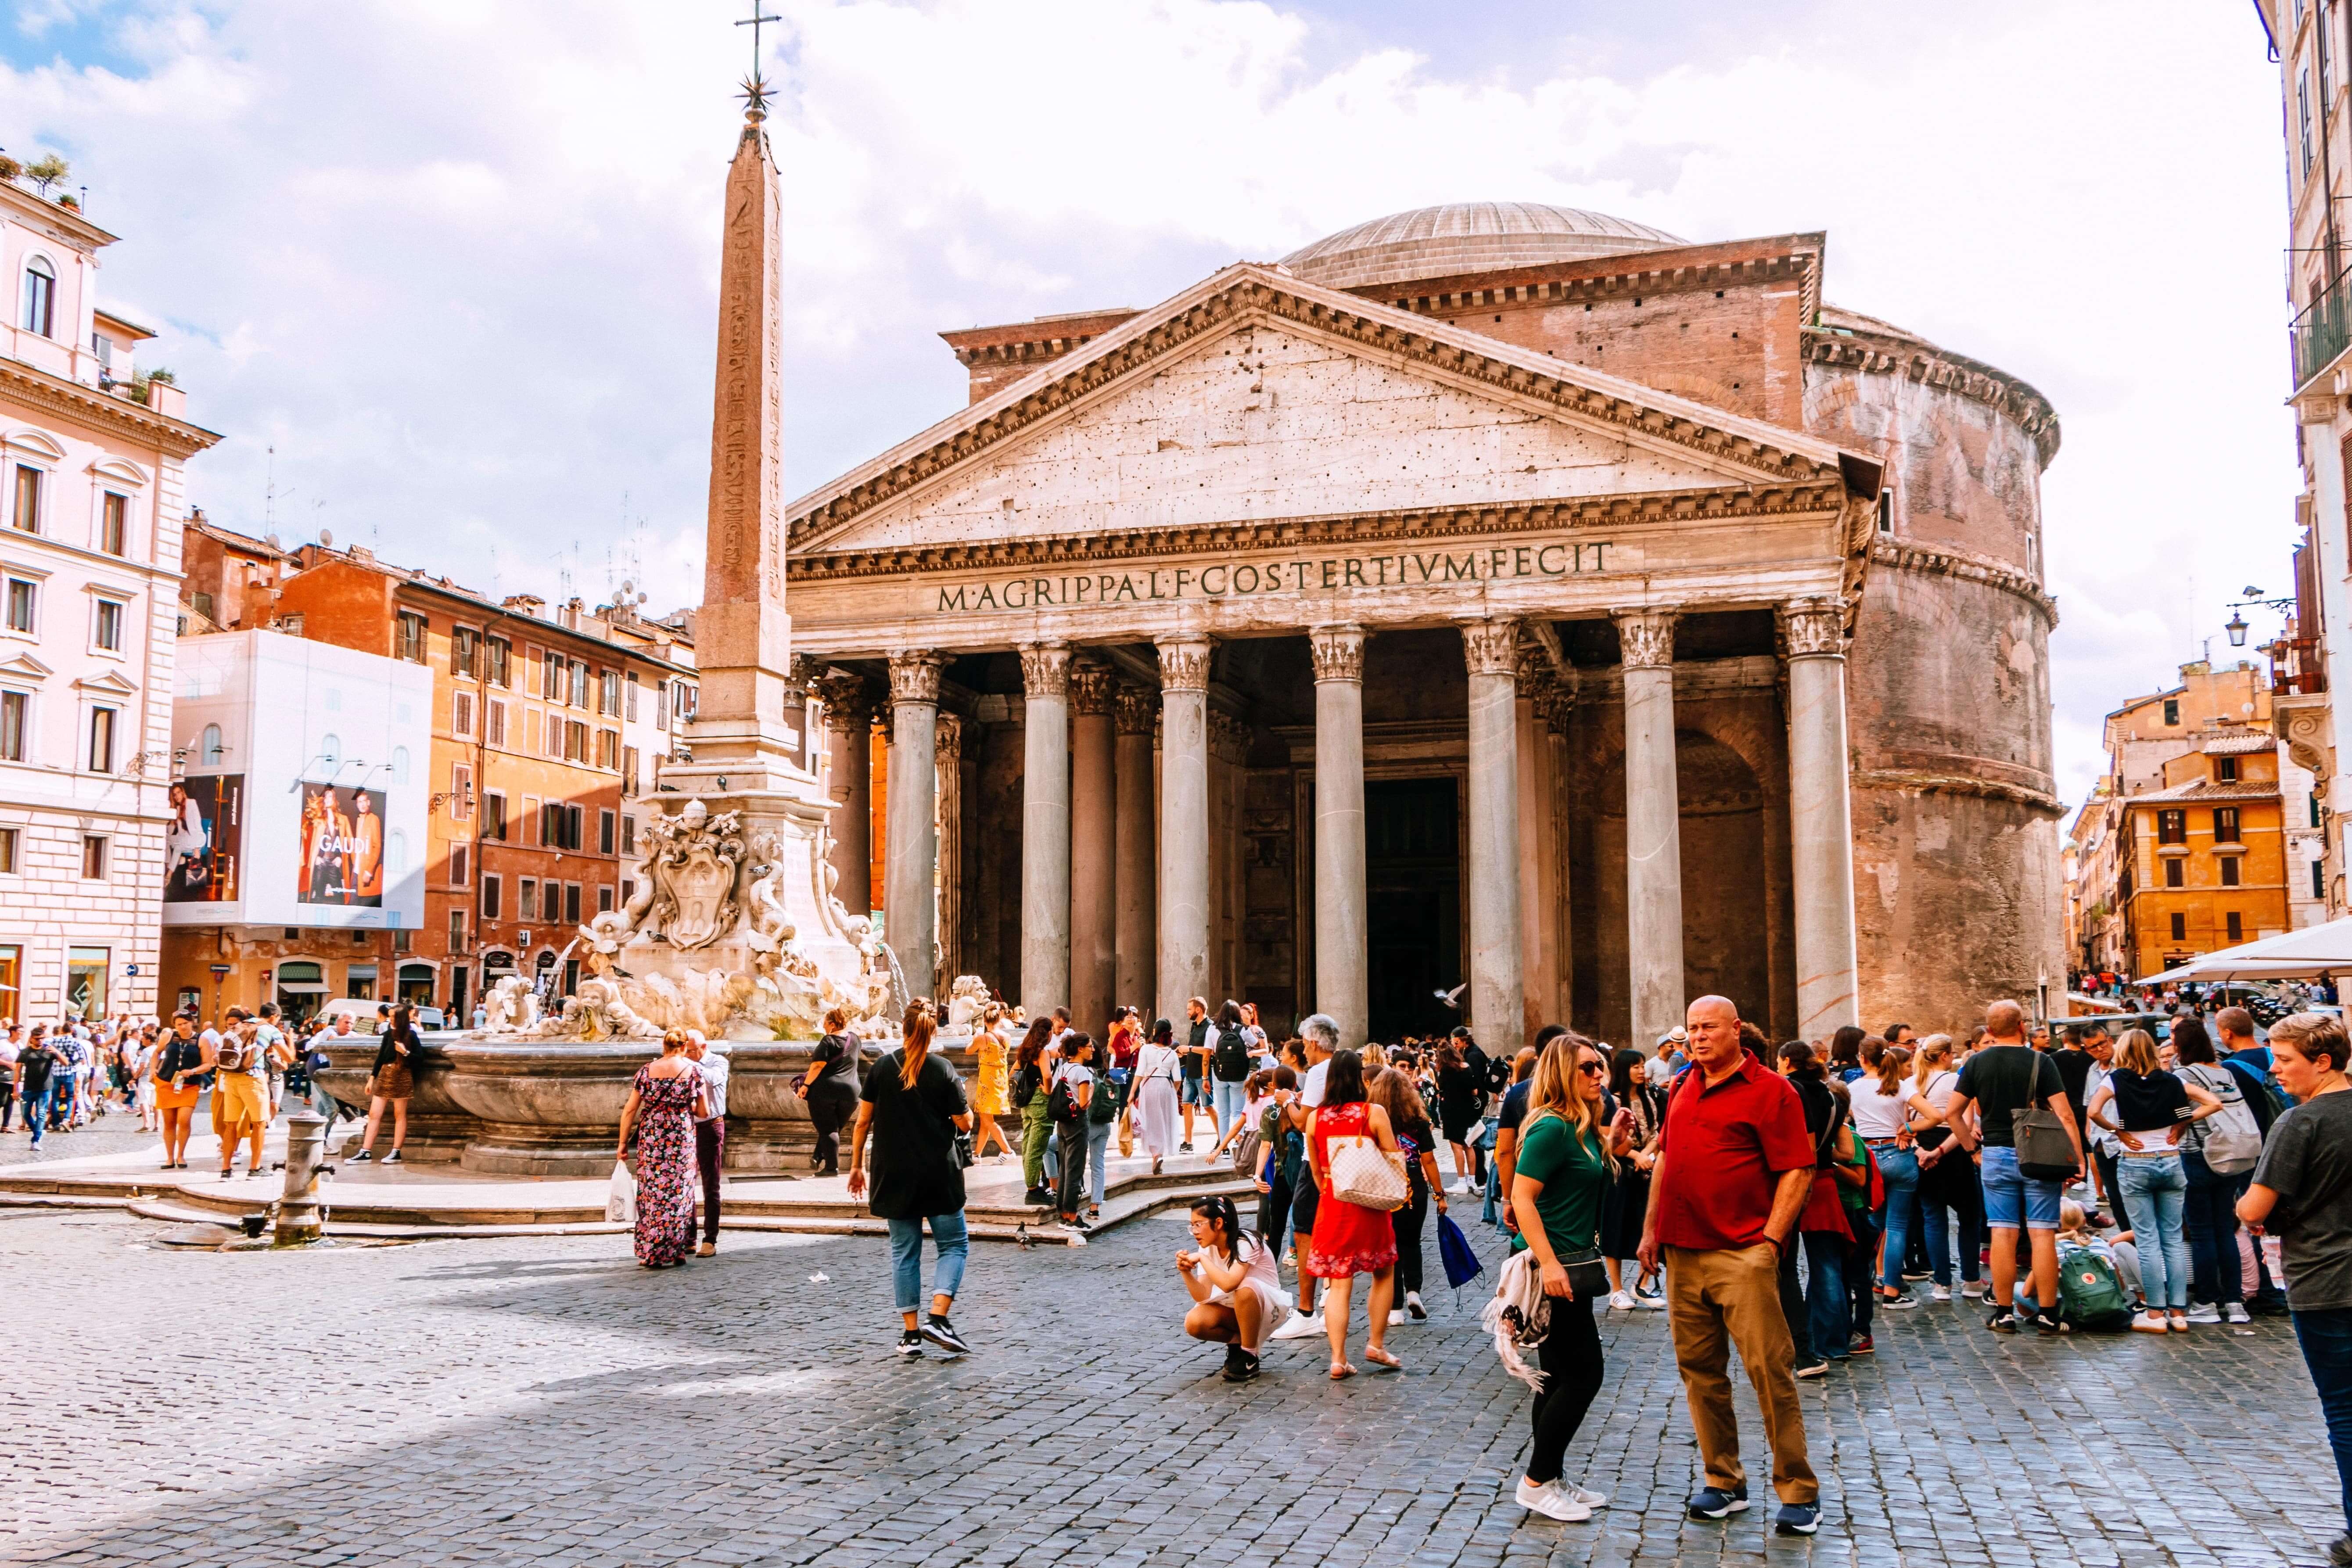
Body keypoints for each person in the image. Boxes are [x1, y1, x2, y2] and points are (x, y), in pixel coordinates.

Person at [1636, 994, 1821, 1537]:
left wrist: (1769, 1242)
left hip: (1743, 1252)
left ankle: (1798, 1489)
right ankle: (1724, 1481)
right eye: (1692, 1028)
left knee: (1769, 1372)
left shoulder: (1772, 1090)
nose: (1697, 1037)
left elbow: (1798, 1171)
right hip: (1682, 1251)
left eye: (1709, 1028)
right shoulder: (1681, 1085)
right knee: (1700, 1374)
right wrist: (1650, 1231)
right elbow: (1666, 1158)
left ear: (1736, 1030)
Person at [2238, 1012, 2352, 1563]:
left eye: (2284, 1060)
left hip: (2327, 1279)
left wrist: (2247, 1205)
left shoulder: (2299, 1123)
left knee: (2346, 1411)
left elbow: (2254, 1207)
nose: (2275, 1069)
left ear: (2322, 1062)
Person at [1509, 1033, 1631, 1523]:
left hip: (1575, 1263)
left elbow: (1580, 1188)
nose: (1599, 1075)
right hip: (1554, 1269)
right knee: (1585, 1375)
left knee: (1557, 1376)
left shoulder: (1580, 1128)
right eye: (1587, 1068)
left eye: (1599, 1067)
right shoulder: (1551, 1129)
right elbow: (1522, 1199)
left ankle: (1551, 1475)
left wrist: (1613, 1146)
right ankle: (1536, 1482)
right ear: (1563, 1072)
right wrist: (1550, 1264)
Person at [1945, 998, 2083, 1334]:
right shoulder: (2041, 1061)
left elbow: (1951, 1113)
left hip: (1994, 1153)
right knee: (2042, 1234)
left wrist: (1971, 1149)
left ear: (1990, 1030)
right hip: (2037, 1154)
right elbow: (2064, 1114)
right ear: (2022, 1026)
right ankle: (2048, 1313)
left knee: (2002, 1234)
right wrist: (2077, 1158)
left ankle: (2004, 1313)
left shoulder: (1976, 1063)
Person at [847, 1000, 974, 1357]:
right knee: (953, 1245)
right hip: (938, 1171)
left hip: (894, 1171)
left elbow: (862, 1122)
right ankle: (938, 1316)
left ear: (903, 1030)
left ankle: (911, 1335)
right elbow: (964, 1122)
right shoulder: (943, 1068)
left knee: (904, 1253)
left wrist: (856, 1165)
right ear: (933, 1032)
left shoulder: (882, 1068)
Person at [2086, 1027, 2218, 1333]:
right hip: (2171, 1160)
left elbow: (2093, 1111)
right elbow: (2213, 1102)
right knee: (2172, 1238)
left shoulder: (2115, 1079)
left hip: (2135, 1163)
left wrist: (2117, 1131)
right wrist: (2183, 1122)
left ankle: (2155, 1313)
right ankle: (2178, 1312)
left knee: (2146, 1241)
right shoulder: (2173, 1080)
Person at [1303, 1042, 1402, 1379]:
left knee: (1338, 1282)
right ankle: (1375, 1342)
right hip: (1369, 1204)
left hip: (1333, 1201)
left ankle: (1337, 1357)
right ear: (1359, 1078)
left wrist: (1332, 1188)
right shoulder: (1373, 1112)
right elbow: (1393, 1156)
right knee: (1383, 1271)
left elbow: (1315, 1170)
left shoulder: (1315, 1118)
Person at [2174, 1017, 2259, 1324]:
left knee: (2201, 1232)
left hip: (2198, 1155)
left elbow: (2178, 1111)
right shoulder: (2223, 1071)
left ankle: (2207, 1302)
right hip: (2231, 1156)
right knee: (2225, 1228)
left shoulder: (2183, 1074)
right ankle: (2235, 1302)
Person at [1776, 1041, 1853, 1373]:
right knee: (1826, 1266)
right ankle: (1834, 1342)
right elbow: (1846, 1151)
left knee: (1785, 1267)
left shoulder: (1786, 1090)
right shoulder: (1831, 1096)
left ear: (1786, 1061)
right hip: (1822, 1182)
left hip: (1791, 1185)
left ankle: (1795, 1343)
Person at [1177, 1193, 1288, 1383]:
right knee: (1194, 1322)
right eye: (1192, 1226)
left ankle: (1250, 1356)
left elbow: (1230, 1283)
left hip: (1267, 1307)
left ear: (1218, 1223)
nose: (1194, 1231)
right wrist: (1185, 1272)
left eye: (1198, 1224)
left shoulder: (1247, 1242)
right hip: (1237, 1308)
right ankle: (1238, 1343)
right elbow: (1202, 1296)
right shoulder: (1208, 1247)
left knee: (1246, 1287)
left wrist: (1203, 1259)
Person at [1370, 1065, 1444, 1323]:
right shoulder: (1418, 1122)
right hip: (1414, 1184)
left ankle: (1395, 1309)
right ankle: (1414, 1292)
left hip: (1383, 1184)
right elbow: (1430, 1161)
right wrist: (1440, 1194)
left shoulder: (1372, 1118)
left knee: (1389, 1245)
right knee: (1412, 1241)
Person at [1849, 1043, 1918, 1310]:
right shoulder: (1900, 1086)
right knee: (1897, 1225)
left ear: (1863, 1059)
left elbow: (1847, 1120)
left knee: (1872, 1224)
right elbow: (1937, 1115)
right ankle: (1892, 1290)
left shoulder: (1853, 1089)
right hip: (1898, 1154)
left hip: (1868, 1158)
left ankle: (1863, 1283)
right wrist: (1909, 1127)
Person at [1601, 1045, 1666, 1310]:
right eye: (1635, 1066)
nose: (1641, 1071)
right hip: (1620, 1169)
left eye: (1642, 1066)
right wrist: (1635, 1156)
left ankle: (1643, 1284)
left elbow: (1656, 1133)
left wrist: (1647, 1156)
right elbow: (1608, 1139)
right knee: (1616, 1226)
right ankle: (1616, 1288)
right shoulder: (1612, 1100)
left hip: (1645, 1169)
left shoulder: (1649, 1097)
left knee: (1648, 1225)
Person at [348, 1004, 421, 1164]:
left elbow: (419, 1059)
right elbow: (380, 1058)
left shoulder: (412, 1036)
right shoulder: (388, 1034)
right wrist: (372, 1078)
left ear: (401, 1018)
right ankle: (366, 1151)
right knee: (374, 1114)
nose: (390, 1019)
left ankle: (396, 1152)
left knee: (399, 1114)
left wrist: (405, 1052)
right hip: (385, 1074)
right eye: (390, 1016)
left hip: (402, 1074)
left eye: (393, 1016)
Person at [206, 1014, 271, 1178]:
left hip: (230, 1080)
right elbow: (289, 1057)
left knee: (231, 1125)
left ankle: (226, 1170)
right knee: (259, 1123)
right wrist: (291, 1039)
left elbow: (214, 1061)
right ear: (275, 1017)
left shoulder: (227, 1036)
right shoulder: (267, 1029)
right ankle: (255, 1169)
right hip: (252, 1079)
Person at [802, 1009, 862, 1177]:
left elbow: (817, 1066)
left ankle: (831, 1168)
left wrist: (806, 1085)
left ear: (833, 1024)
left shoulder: (828, 1041)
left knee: (828, 1129)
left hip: (826, 1091)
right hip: (852, 1092)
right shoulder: (855, 1039)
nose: (823, 1025)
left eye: (826, 1022)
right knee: (833, 1128)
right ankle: (818, 1155)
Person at [684, 1033, 729, 1258]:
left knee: (711, 1185)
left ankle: (710, 1239)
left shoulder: (718, 1061)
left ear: (703, 1046)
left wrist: (687, 1065)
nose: (687, 1055)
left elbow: (713, 1078)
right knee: (685, 1184)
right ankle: (688, 1237)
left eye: (690, 1051)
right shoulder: (685, 1063)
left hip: (711, 1127)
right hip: (687, 1128)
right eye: (685, 1051)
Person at [1050, 1033, 1096, 1233]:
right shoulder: (1083, 1072)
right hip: (1078, 1122)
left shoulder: (1064, 1068)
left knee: (1065, 1168)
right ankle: (1073, 1216)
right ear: (1080, 1049)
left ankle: (1063, 1213)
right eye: (1089, 1046)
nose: (1092, 1049)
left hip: (1063, 1123)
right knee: (1075, 1169)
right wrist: (1093, 1090)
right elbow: (1084, 1103)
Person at [1013, 1015, 1058, 1202]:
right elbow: (1047, 1076)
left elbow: (1012, 1073)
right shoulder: (1042, 1053)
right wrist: (1046, 1090)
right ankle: (1033, 1189)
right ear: (1047, 1033)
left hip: (1027, 1102)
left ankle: (1032, 1184)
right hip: (1040, 1102)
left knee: (1028, 1144)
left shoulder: (1025, 1051)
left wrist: (1030, 1082)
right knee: (1037, 1147)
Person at [1132, 1017, 1183, 1176]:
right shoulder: (1173, 1054)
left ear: (1155, 1032)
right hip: (1166, 1087)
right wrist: (1171, 1093)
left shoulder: (1146, 1050)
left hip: (1150, 1086)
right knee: (1164, 1122)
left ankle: (1156, 1154)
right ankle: (1159, 1154)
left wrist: (1132, 1092)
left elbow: (1140, 1073)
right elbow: (1178, 1080)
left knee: (1152, 1122)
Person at [153, 1018, 205, 1169]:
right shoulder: (169, 1036)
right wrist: (153, 1070)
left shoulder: (201, 1040)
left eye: (186, 1023)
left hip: (189, 1086)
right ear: (175, 1025)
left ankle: (181, 1155)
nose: (183, 1027)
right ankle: (170, 1158)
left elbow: (208, 1064)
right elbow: (156, 1052)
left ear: (192, 1022)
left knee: (184, 1120)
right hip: (167, 1083)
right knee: (169, 1122)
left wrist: (194, 1071)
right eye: (179, 1024)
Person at [1436, 1034, 1483, 1193]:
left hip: (1452, 1111)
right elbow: (1475, 1090)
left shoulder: (1446, 1070)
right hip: (1469, 1111)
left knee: (1457, 1147)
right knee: (1469, 1145)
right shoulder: (1466, 1067)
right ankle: (1473, 1180)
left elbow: (1440, 1087)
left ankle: (1461, 1181)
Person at [970, 1012, 1013, 1162]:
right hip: (1001, 1076)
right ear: (999, 1019)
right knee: (986, 1117)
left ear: (984, 1020)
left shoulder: (984, 1038)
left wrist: (975, 1036)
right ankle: (977, 1153)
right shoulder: (1007, 1037)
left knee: (986, 1118)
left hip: (987, 1079)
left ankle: (1007, 1151)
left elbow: (968, 1050)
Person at [1209, 999, 1251, 1150]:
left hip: (1219, 1073)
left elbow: (1208, 1054)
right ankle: (1238, 1143)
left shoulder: (1212, 1030)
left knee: (1223, 1112)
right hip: (1239, 1074)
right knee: (1238, 1111)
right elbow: (1255, 1044)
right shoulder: (1242, 1029)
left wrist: (1204, 1078)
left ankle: (1224, 1146)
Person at [12, 1027, 59, 1151]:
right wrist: (15, 1089)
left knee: (41, 1112)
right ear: (32, 1039)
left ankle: (36, 1140)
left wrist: (57, 1052)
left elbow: (66, 1063)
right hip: (28, 1087)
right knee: (26, 1114)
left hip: (45, 1087)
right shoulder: (25, 1052)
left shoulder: (49, 1050)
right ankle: (38, 1130)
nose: (40, 1041)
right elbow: (18, 1070)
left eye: (42, 1038)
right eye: (37, 1039)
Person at [1180, 996, 1212, 1151]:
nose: (1187, 1012)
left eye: (1189, 1009)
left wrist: (1189, 1049)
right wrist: (1185, 1053)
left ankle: (1222, 1139)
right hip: (1190, 1073)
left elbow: (1209, 1051)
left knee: (1209, 1107)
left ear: (1198, 1010)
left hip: (1203, 1074)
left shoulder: (1210, 1027)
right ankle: (1188, 1142)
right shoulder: (1195, 1026)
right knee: (1187, 1105)